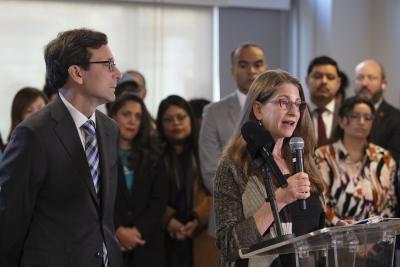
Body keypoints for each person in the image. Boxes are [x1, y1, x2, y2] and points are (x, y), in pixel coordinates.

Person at [0, 28, 123, 267]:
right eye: (108, 64)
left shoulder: (110, 130)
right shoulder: (33, 134)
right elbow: (10, 220)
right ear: (77, 73)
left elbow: (102, 214)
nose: (117, 73)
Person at [214, 69, 325, 266]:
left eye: (298, 104)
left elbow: (311, 225)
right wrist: (280, 198)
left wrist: (337, 230)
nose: (294, 111)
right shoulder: (234, 166)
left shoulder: (303, 158)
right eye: (284, 103)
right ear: (258, 109)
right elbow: (229, 245)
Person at [199, 43, 268, 241]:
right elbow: (210, 171)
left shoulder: (277, 108)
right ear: (232, 70)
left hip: (276, 214)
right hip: (230, 216)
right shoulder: (213, 112)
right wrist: (254, 201)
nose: (252, 71)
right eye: (243, 65)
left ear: (265, 67)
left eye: (258, 64)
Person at [315, 96, 397, 226]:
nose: (362, 122)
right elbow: (320, 204)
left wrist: (373, 240)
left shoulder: (384, 158)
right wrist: (343, 229)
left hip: (375, 240)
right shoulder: (323, 156)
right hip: (334, 238)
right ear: (341, 121)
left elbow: (389, 205)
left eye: (368, 117)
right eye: (354, 116)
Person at [157, 95, 217, 267]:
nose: (176, 123)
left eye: (181, 117)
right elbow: (149, 195)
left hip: (201, 231)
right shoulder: (154, 156)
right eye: (168, 119)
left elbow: (216, 191)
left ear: (190, 119)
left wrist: (198, 218)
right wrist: (168, 219)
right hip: (165, 236)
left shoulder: (205, 152)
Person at [110, 93, 167, 267]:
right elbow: (96, 197)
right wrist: (118, 230)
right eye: (126, 114)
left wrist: (136, 231)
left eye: (138, 116)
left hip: (147, 243)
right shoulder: (99, 152)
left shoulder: (154, 154)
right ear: (113, 116)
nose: (132, 121)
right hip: (111, 241)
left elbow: (159, 200)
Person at [354, 59, 400, 161]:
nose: (364, 83)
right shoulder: (344, 114)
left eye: (371, 78)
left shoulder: (396, 118)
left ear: (383, 83)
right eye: (360, 77)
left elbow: (395, 159)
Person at [305, 56, 341, 146]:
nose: (324, 81)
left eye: (330, 77)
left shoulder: (345, 114)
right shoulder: (296, 113)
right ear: (306, 80)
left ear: (338, 83)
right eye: (317, 76)